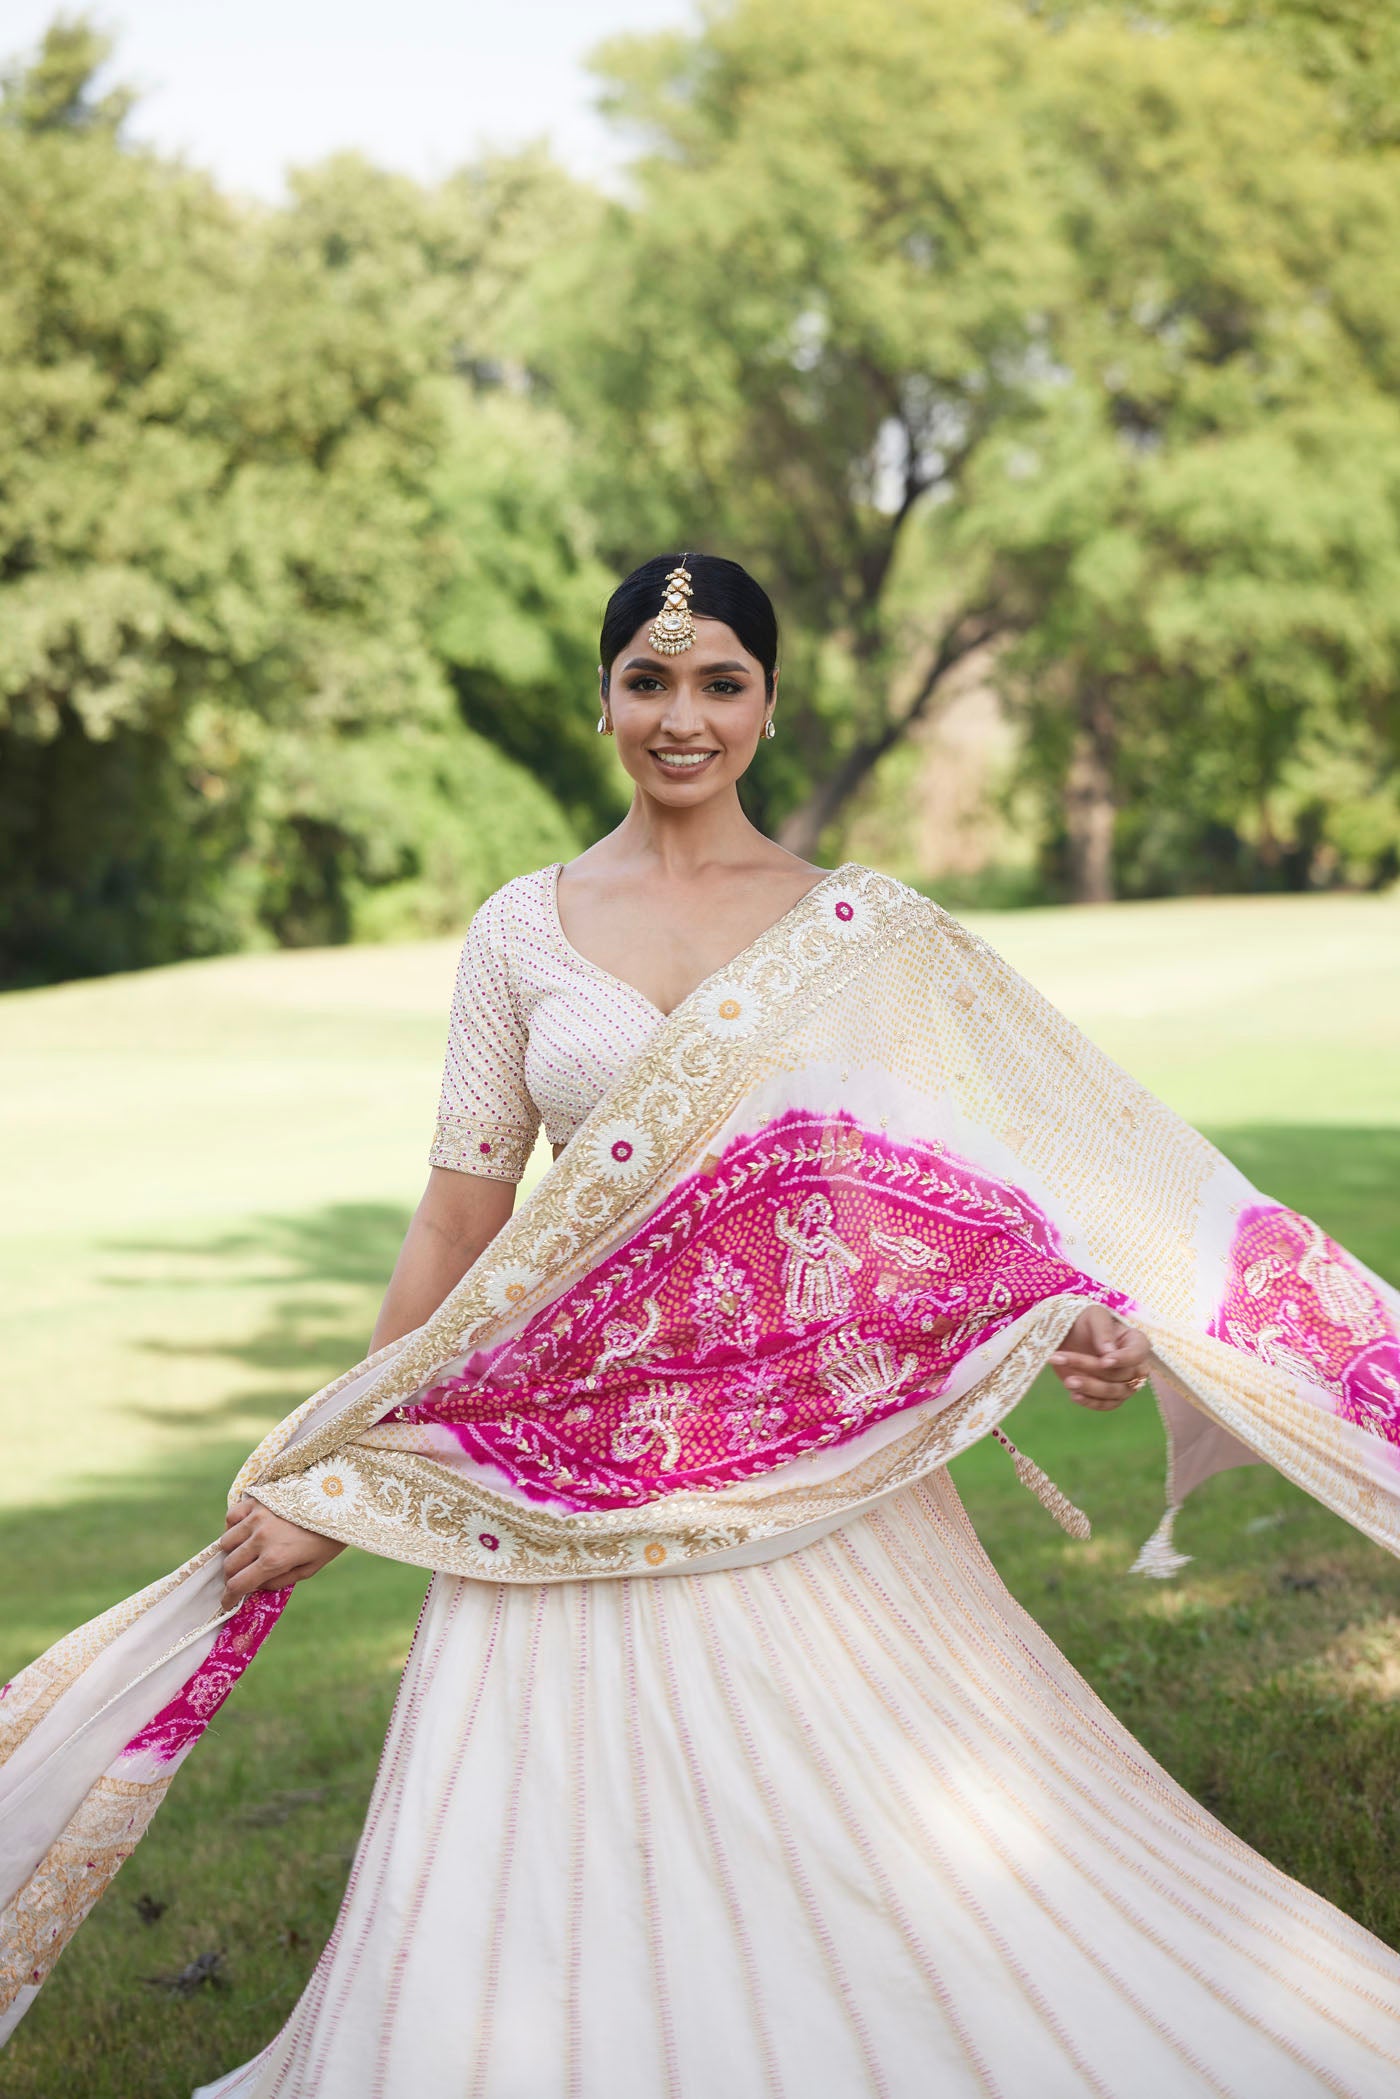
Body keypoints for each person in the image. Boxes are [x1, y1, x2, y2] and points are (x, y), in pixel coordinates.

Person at [4, 555, 1399, 2096]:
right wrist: (346, 1467)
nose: (684, 717)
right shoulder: (521, 932)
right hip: (558, 1473)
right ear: (602, 700)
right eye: (651, 681)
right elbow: (461, 1224)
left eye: (721, 682)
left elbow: (981, 1176)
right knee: (533, 1872)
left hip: (812, 1472)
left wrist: (1081, 1311)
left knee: (881, 1845)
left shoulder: (860, 933)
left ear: (770, 706)